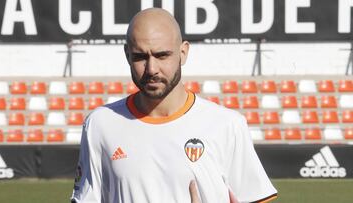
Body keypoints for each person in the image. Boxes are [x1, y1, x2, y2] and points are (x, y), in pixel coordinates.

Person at [71, 8, 277, 203]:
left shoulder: (227, 125)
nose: (151, 69)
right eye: (140, 57)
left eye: (162, 55)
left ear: (183, 52)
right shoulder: (100, 124)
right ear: (127, 55)